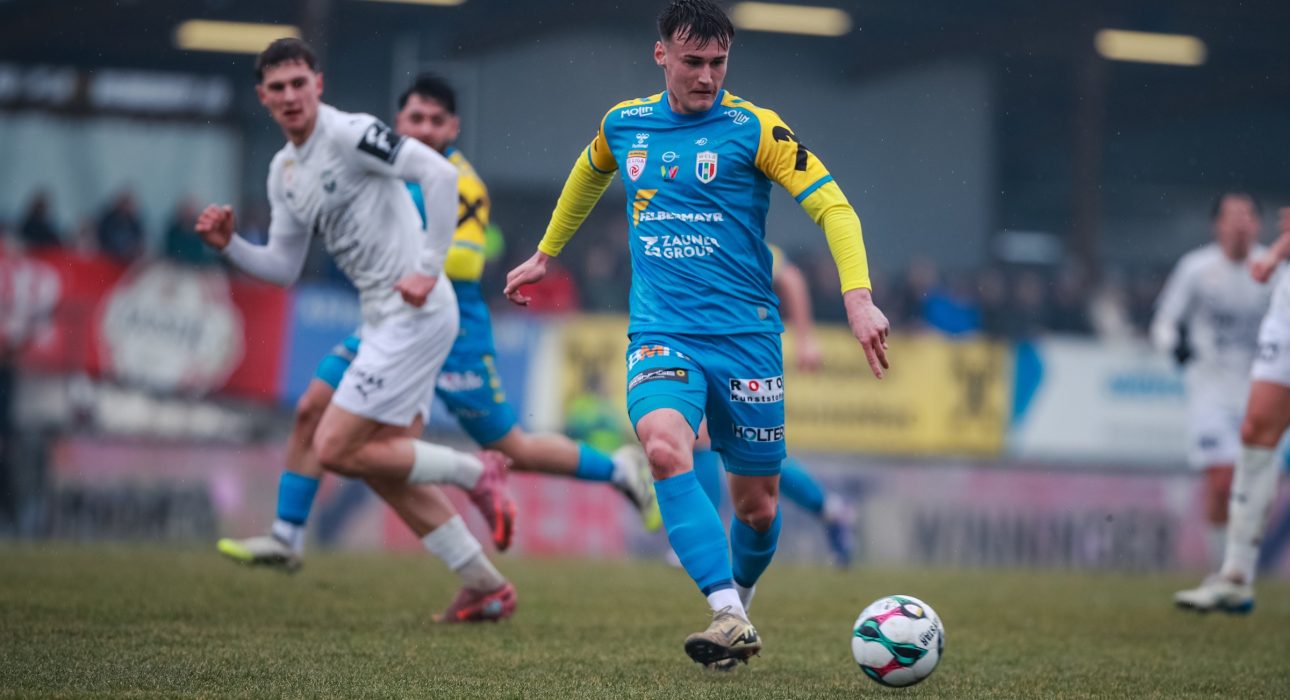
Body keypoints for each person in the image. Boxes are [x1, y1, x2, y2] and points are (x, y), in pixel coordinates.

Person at [504, 0, 889, 668]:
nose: (707, 76)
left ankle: (741, 599)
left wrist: (858, 299)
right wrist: (546, 253)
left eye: (718, 62)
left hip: (747, 340)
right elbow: (589, 171)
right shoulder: (624, 124)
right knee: (662, 447)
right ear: (662, 56)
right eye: (693, 62)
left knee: (758, 508)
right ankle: (727, 612)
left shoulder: (756, 129)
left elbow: (834, 207)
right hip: (662, 331)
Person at [217, 72, 660, 573]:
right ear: (397, 123)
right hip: (391, 321)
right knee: (314, 411)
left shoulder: (459, 181)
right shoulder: (383, 169)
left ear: (454, 128)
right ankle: (288, 535)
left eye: (436, 120)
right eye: (415, 118)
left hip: (451, 326)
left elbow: (467, 261)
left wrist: (407, 259)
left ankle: (616, 470)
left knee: (507, 446)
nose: (425, 129)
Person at [198, 39, 516, 622]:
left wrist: (428, 269)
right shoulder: (284, 171)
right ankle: (485, 585)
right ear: (262, 96)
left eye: (299, 83)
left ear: (318, 84)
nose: (290, 95)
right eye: (278, 87)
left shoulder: (350, 133)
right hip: (382, 318)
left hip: (417, 312)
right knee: (377, 461)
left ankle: (476, 472)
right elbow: (283, 267)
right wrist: (231, 246)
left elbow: (439, 174)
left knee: (334, 445)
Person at [691, 244, 856, 567]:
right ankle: (830, 510)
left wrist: (805, 339)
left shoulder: (733, 235)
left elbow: (790, 278)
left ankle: (828, 509)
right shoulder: (684, 237)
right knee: (706, 438)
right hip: (705, 349)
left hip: (747, 352)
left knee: (748, 450)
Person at [1175, 204, 1290, 614]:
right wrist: (1278, 253)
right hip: (1285, 310)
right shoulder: (1196, 267)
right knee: (1256, 432)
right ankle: (1235, 577)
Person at [1152, 192, 1272, 571]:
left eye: (1247, 215)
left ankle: (1239, 566)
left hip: (1263, 390)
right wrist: (1174, 346)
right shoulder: (1195, 269)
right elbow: (1165, 321)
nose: (1240, 224)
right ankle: (1225, 569)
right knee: (1222, 482)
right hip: (1211, 389)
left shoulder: (1275, 271)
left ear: (1258, 225)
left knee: (1255, 488)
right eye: (1232, 216)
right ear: (1217, 225)